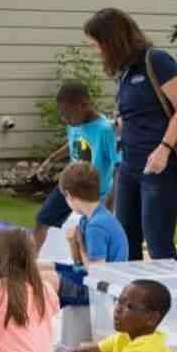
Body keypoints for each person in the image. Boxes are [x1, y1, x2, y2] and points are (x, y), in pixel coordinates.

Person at [84, 8, 177, 261]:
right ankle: (133, 298)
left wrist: (164, 148)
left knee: (157, 242)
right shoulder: (126, 71)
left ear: (113, 39)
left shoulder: (156, 61)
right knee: (125, 240)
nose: (96, 49)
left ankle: (167, 298)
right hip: (129, 165)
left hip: (159, 166)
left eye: (97, 43)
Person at [32, 81, 119, 252]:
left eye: (68, 115)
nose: (66, 120)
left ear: (84, 105)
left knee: (88, 234)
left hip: (94, 192)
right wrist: (52, 159)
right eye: (63, 115)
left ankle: (89, 269)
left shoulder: (105, 130)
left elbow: (118, 166)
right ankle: (30, 264)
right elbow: (73, 144)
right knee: (42, 220)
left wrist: (110, 201)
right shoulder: (74, 124)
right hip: (71, 185)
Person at [37, 163, 129, 307]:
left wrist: (79, 243)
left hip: (102, 290)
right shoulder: (88, 219)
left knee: (43, 278)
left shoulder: (96, 226)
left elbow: (98, 273)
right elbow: (79, 263)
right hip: (88, 277)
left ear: (69, 196)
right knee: (36, 266)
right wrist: (72, 242)